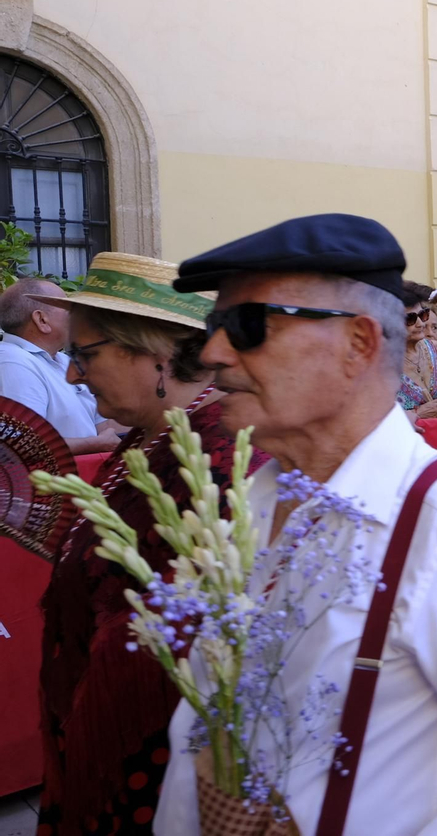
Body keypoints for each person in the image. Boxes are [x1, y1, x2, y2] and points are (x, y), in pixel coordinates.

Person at [155, 213, 437, 834]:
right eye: (214, 326)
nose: (213, 353)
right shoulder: (253, 499)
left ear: (358, 344)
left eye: (247, 326)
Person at [31, 254, 260, 836]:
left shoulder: (218, 450)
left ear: (156, 351)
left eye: (85, 355)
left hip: (152, 770)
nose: (72, 377)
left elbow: (179, 641)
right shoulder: (147, 435)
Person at [0, 278, 117, 453]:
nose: (76, 317)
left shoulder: (61, 360)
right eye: (68, 310)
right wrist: (95, 444)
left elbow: (106, 428)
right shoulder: (13, 362)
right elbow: (21, 445)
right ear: (42, 320)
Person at [398, 281, 437, 422]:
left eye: (422, 315)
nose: (420, 323)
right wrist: (417, 414)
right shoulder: (381, 362)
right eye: (410, 319)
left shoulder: (436, 349)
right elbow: (373, 418)